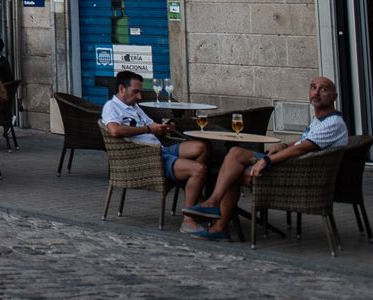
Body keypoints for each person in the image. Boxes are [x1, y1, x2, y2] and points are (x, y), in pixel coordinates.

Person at [183, 76, 349, 241]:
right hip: (296, 167)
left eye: (323, 89)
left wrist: (267, 160)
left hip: (301, 177)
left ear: (334, 97)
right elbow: (302, 142)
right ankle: (215, 214)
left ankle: (215, 213)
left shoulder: (332, 123)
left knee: (233, 166)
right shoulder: (320, 120)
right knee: (234, 158)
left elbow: (302, 148)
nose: (316, 93)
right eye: (313, 87)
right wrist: (283, 145)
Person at [100, 70, 209, 233]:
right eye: (135, 92)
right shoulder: (112, 107)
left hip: (160, 150)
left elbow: (151, 127)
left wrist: (163, 128)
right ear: (122, 89)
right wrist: (147, 129)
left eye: (140, 92)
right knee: (198, 170)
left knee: (201, 147)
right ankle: (189, 219)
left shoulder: (134, 106)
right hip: (145, 158)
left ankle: (194, 197)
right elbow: (115, 130)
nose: (139, 97)